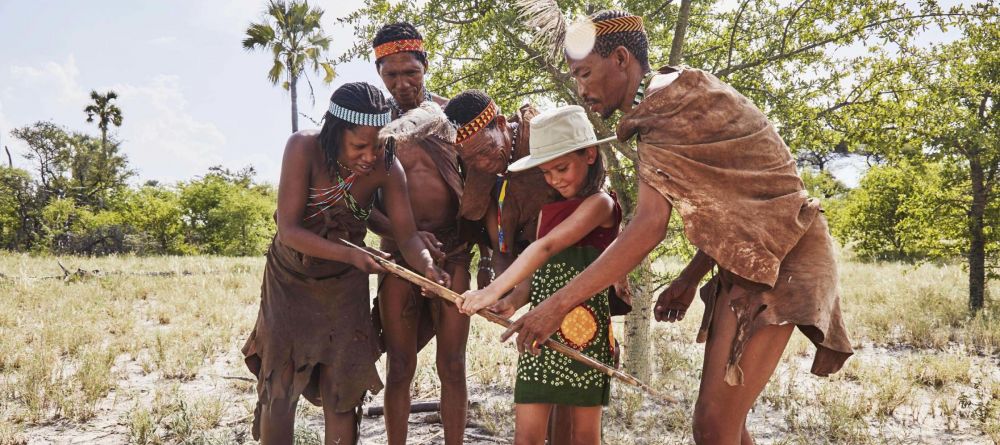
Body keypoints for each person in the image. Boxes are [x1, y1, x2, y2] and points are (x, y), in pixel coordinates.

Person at [504, 10, 854, 445]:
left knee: (713, 427)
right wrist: (690, 277)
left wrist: (555, 307)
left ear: (619, 60)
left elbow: (649, 227)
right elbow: (736, 204)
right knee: (726, 426)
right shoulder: (665, 104)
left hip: (785, 259)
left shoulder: (669, 106)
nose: (581, 89)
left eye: (586, 73)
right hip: (754, 259)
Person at [241, 82, 448, 445]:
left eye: (379, 145)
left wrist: (428, 268)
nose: (370, 156)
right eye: (359, 146)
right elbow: (288, 230)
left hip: (345, 284)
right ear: (335, 133)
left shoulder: (388, 168)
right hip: (289, 279)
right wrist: (353, 254)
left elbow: (408, 237)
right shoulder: (303, 148)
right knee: (281, 385)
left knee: (343, 389)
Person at [457, 105, 621, 445]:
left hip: (584, 333)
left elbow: (545, 249)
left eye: (561, 168)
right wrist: (513, 299)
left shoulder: (600, 205)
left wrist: (489, 292)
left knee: (584, 435)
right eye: (546, 173)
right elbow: (543, 268)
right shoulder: (550, 209)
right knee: (527, 434)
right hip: (538, 331)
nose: (555, 179)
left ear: (590, 154)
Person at [366, 22, 475, 445]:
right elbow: (362, 206)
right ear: (379, 75)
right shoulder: (372, 130)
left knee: (453, 364)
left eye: (410, 71)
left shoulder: (452, 117)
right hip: (397, 257)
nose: (401, 83)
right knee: (399, 366)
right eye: (391, 75)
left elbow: (480, 185)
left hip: (455, 253)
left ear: (425, 65)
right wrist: (404, 234)